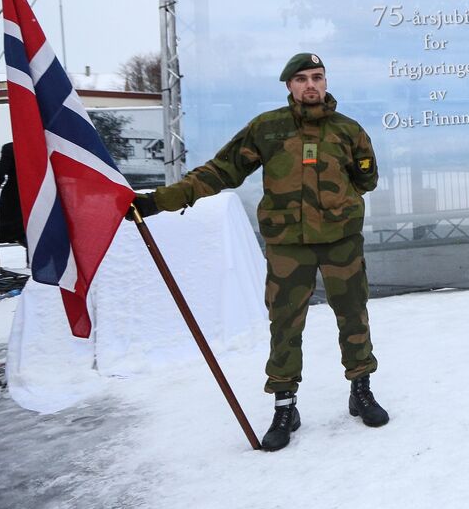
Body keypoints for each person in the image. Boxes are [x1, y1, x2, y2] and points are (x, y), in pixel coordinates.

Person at [133, 53, 387, 451]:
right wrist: (160, 200)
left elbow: (367, 178)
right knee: (285, 324)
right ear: (288, 85)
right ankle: (285, 406)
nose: (310, 86)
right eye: (301, 79)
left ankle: (361, 391)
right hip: (288, 246)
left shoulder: (349, 130)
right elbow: (221, 170)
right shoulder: (267, 130)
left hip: (341, 241)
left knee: (353, 315)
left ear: (325, 81)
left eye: (317, 78)